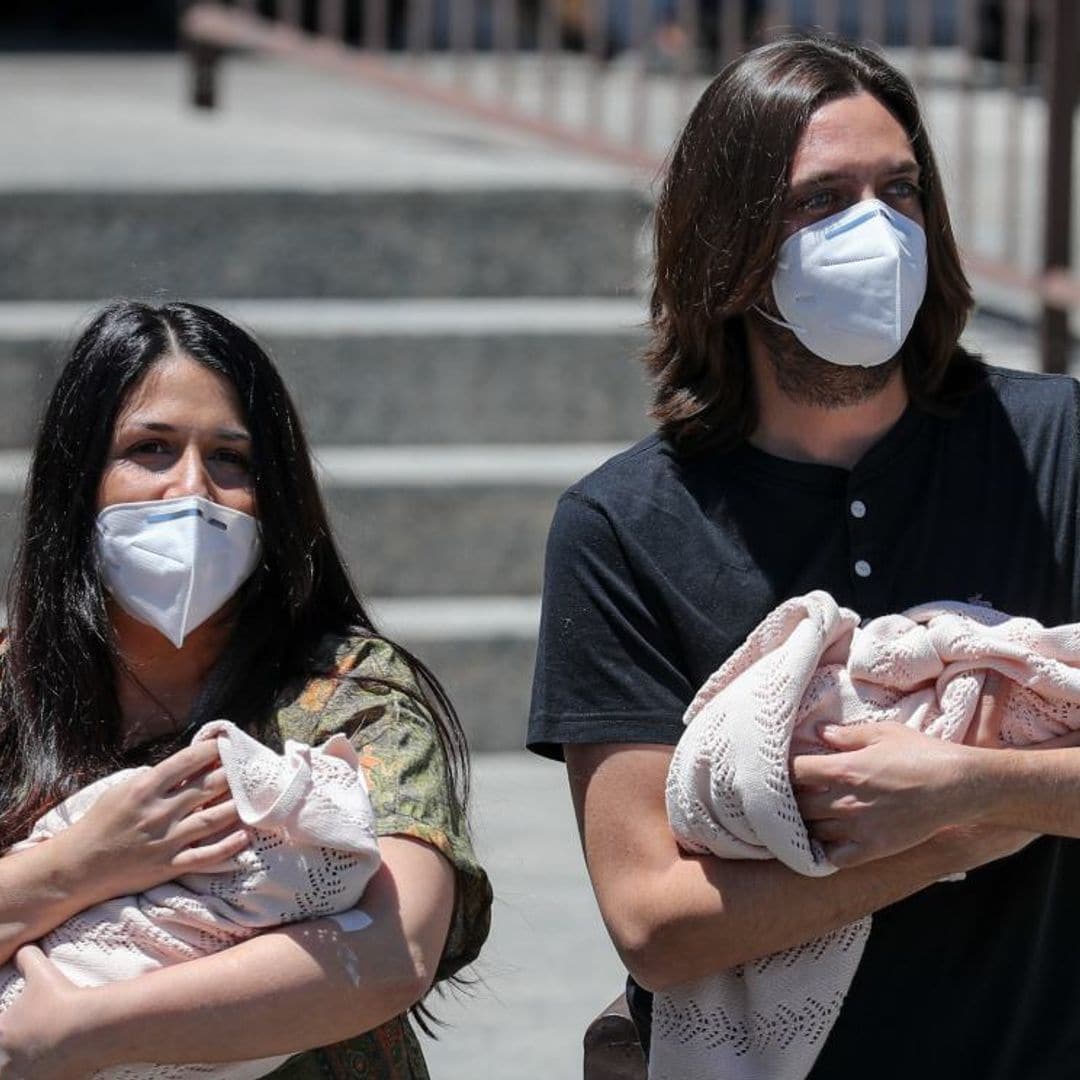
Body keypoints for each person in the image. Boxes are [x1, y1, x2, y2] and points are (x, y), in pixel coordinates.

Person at [528, 33, 1080, 1079]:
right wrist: (950, 837)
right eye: (821, 201)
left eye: (901, 189)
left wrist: (969, 783)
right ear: (726, 252)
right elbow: (652, 920)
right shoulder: (622, 525)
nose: (876, 230)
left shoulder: (1058, 445)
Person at [0, 299, 491, 1078]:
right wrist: (86, 864)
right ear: (77, 478)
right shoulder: (10, 690)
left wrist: (88, 1029)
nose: (192, 492)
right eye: (150, 450)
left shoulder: (348, 693)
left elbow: (394, 950)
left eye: (232, 461)